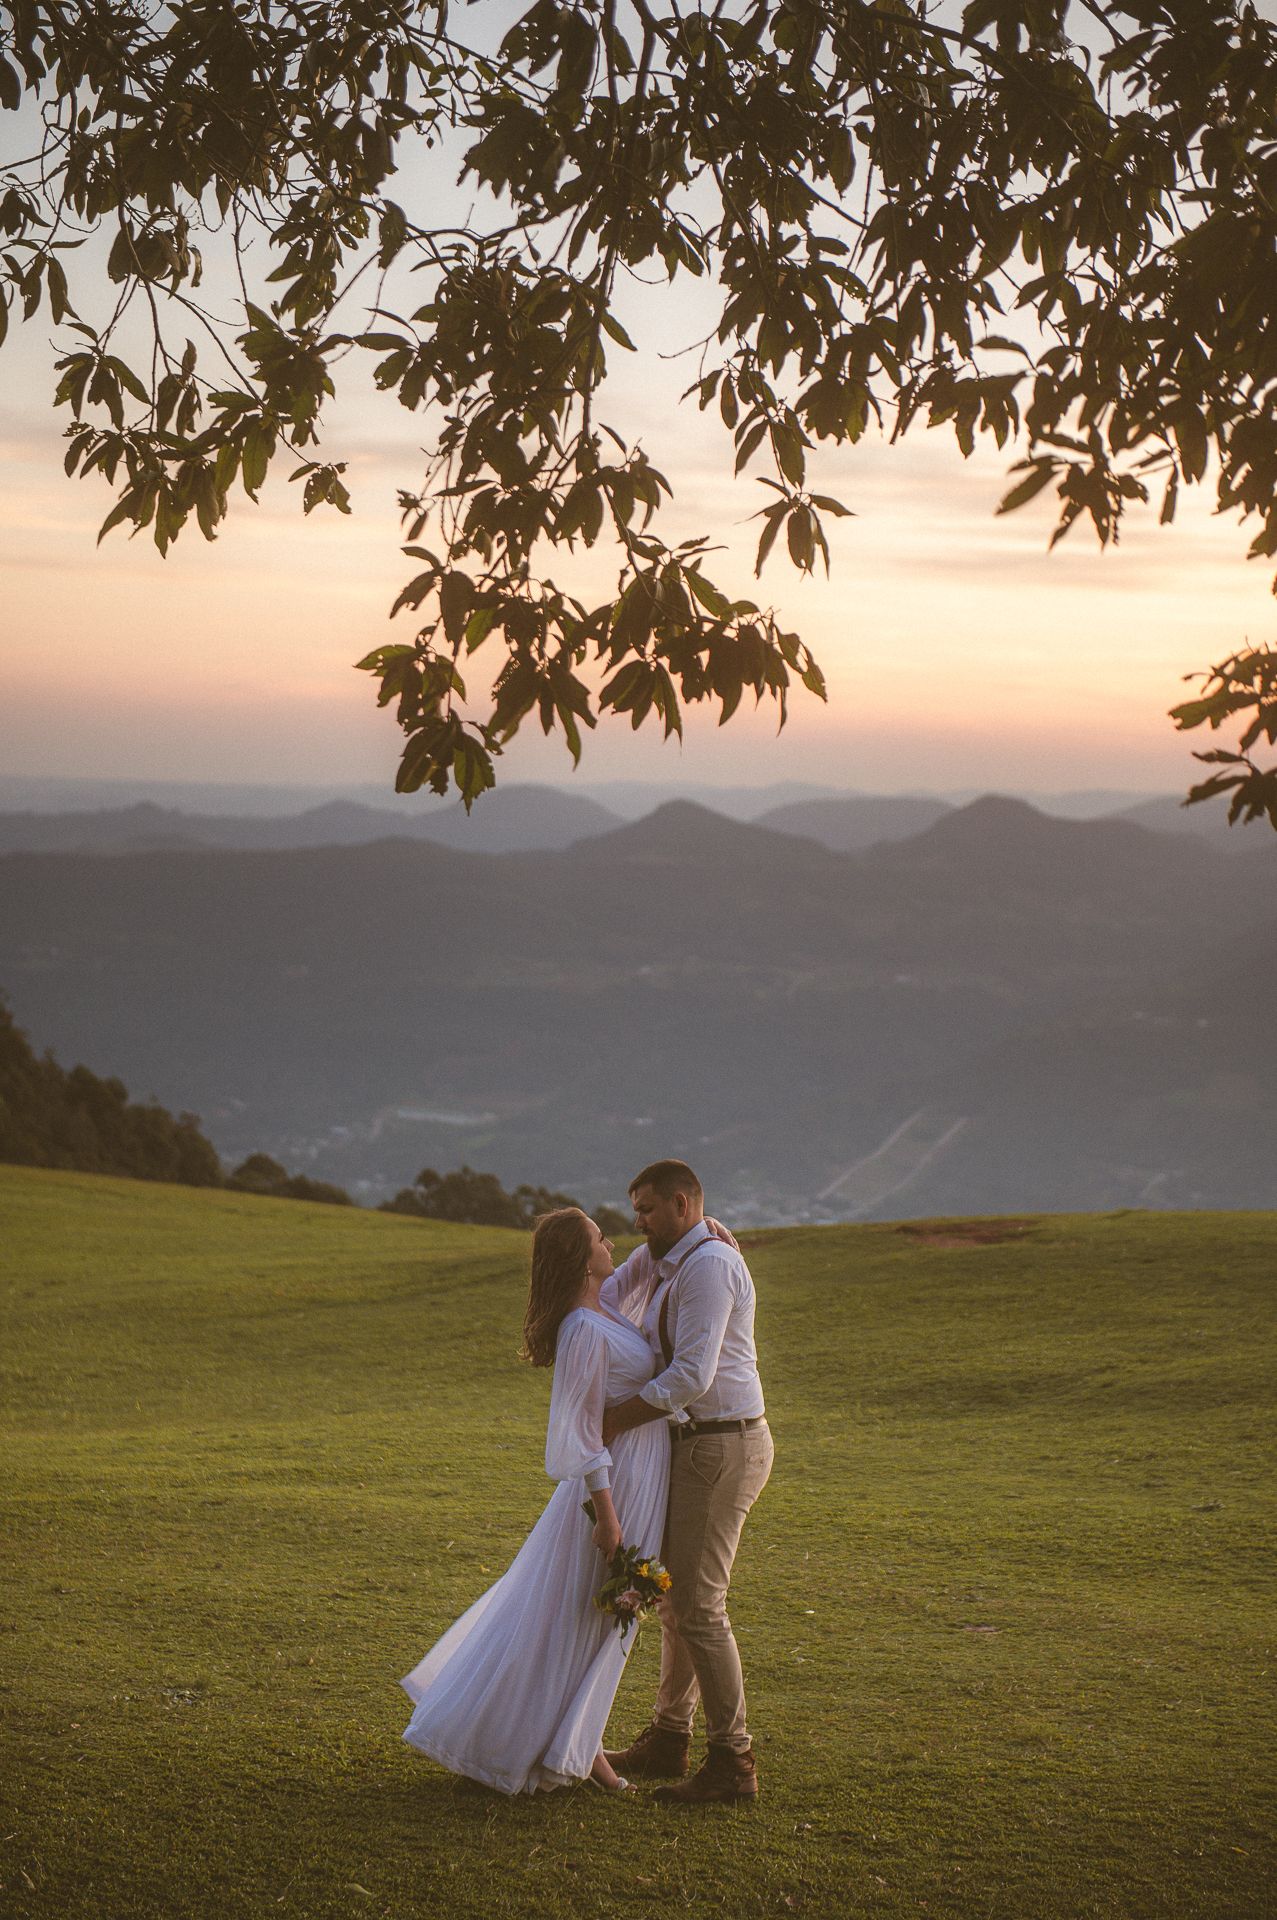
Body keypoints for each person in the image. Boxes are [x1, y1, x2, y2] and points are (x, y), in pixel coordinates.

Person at [399, 1207, 668, 1795]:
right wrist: (607, 1516)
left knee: (594, 1618)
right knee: (583, 1616)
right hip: (612, 1489)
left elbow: (645, 1267)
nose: (611, 1243)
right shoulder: (582, 1329)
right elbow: (582, 1430)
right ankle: (559, 1748)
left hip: (638, 1477)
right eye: (600, 1238)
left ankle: (582, 1744)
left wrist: (705, 1232)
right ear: (581, 1259)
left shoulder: (604, 1309)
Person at [600, 1158, 773, 1805]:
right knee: (675, 1601)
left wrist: (611, 1420)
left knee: (700, 1607)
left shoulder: (708, 1266)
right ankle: (669, 1736)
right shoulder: (669, 1260)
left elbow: (692, 1376)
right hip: (697, 1444)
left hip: (720, 1444)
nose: (638, 1223)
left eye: (646, 1210)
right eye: (635, 1211)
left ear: (681, 1204)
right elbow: (608, 1290)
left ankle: (733, 1763)